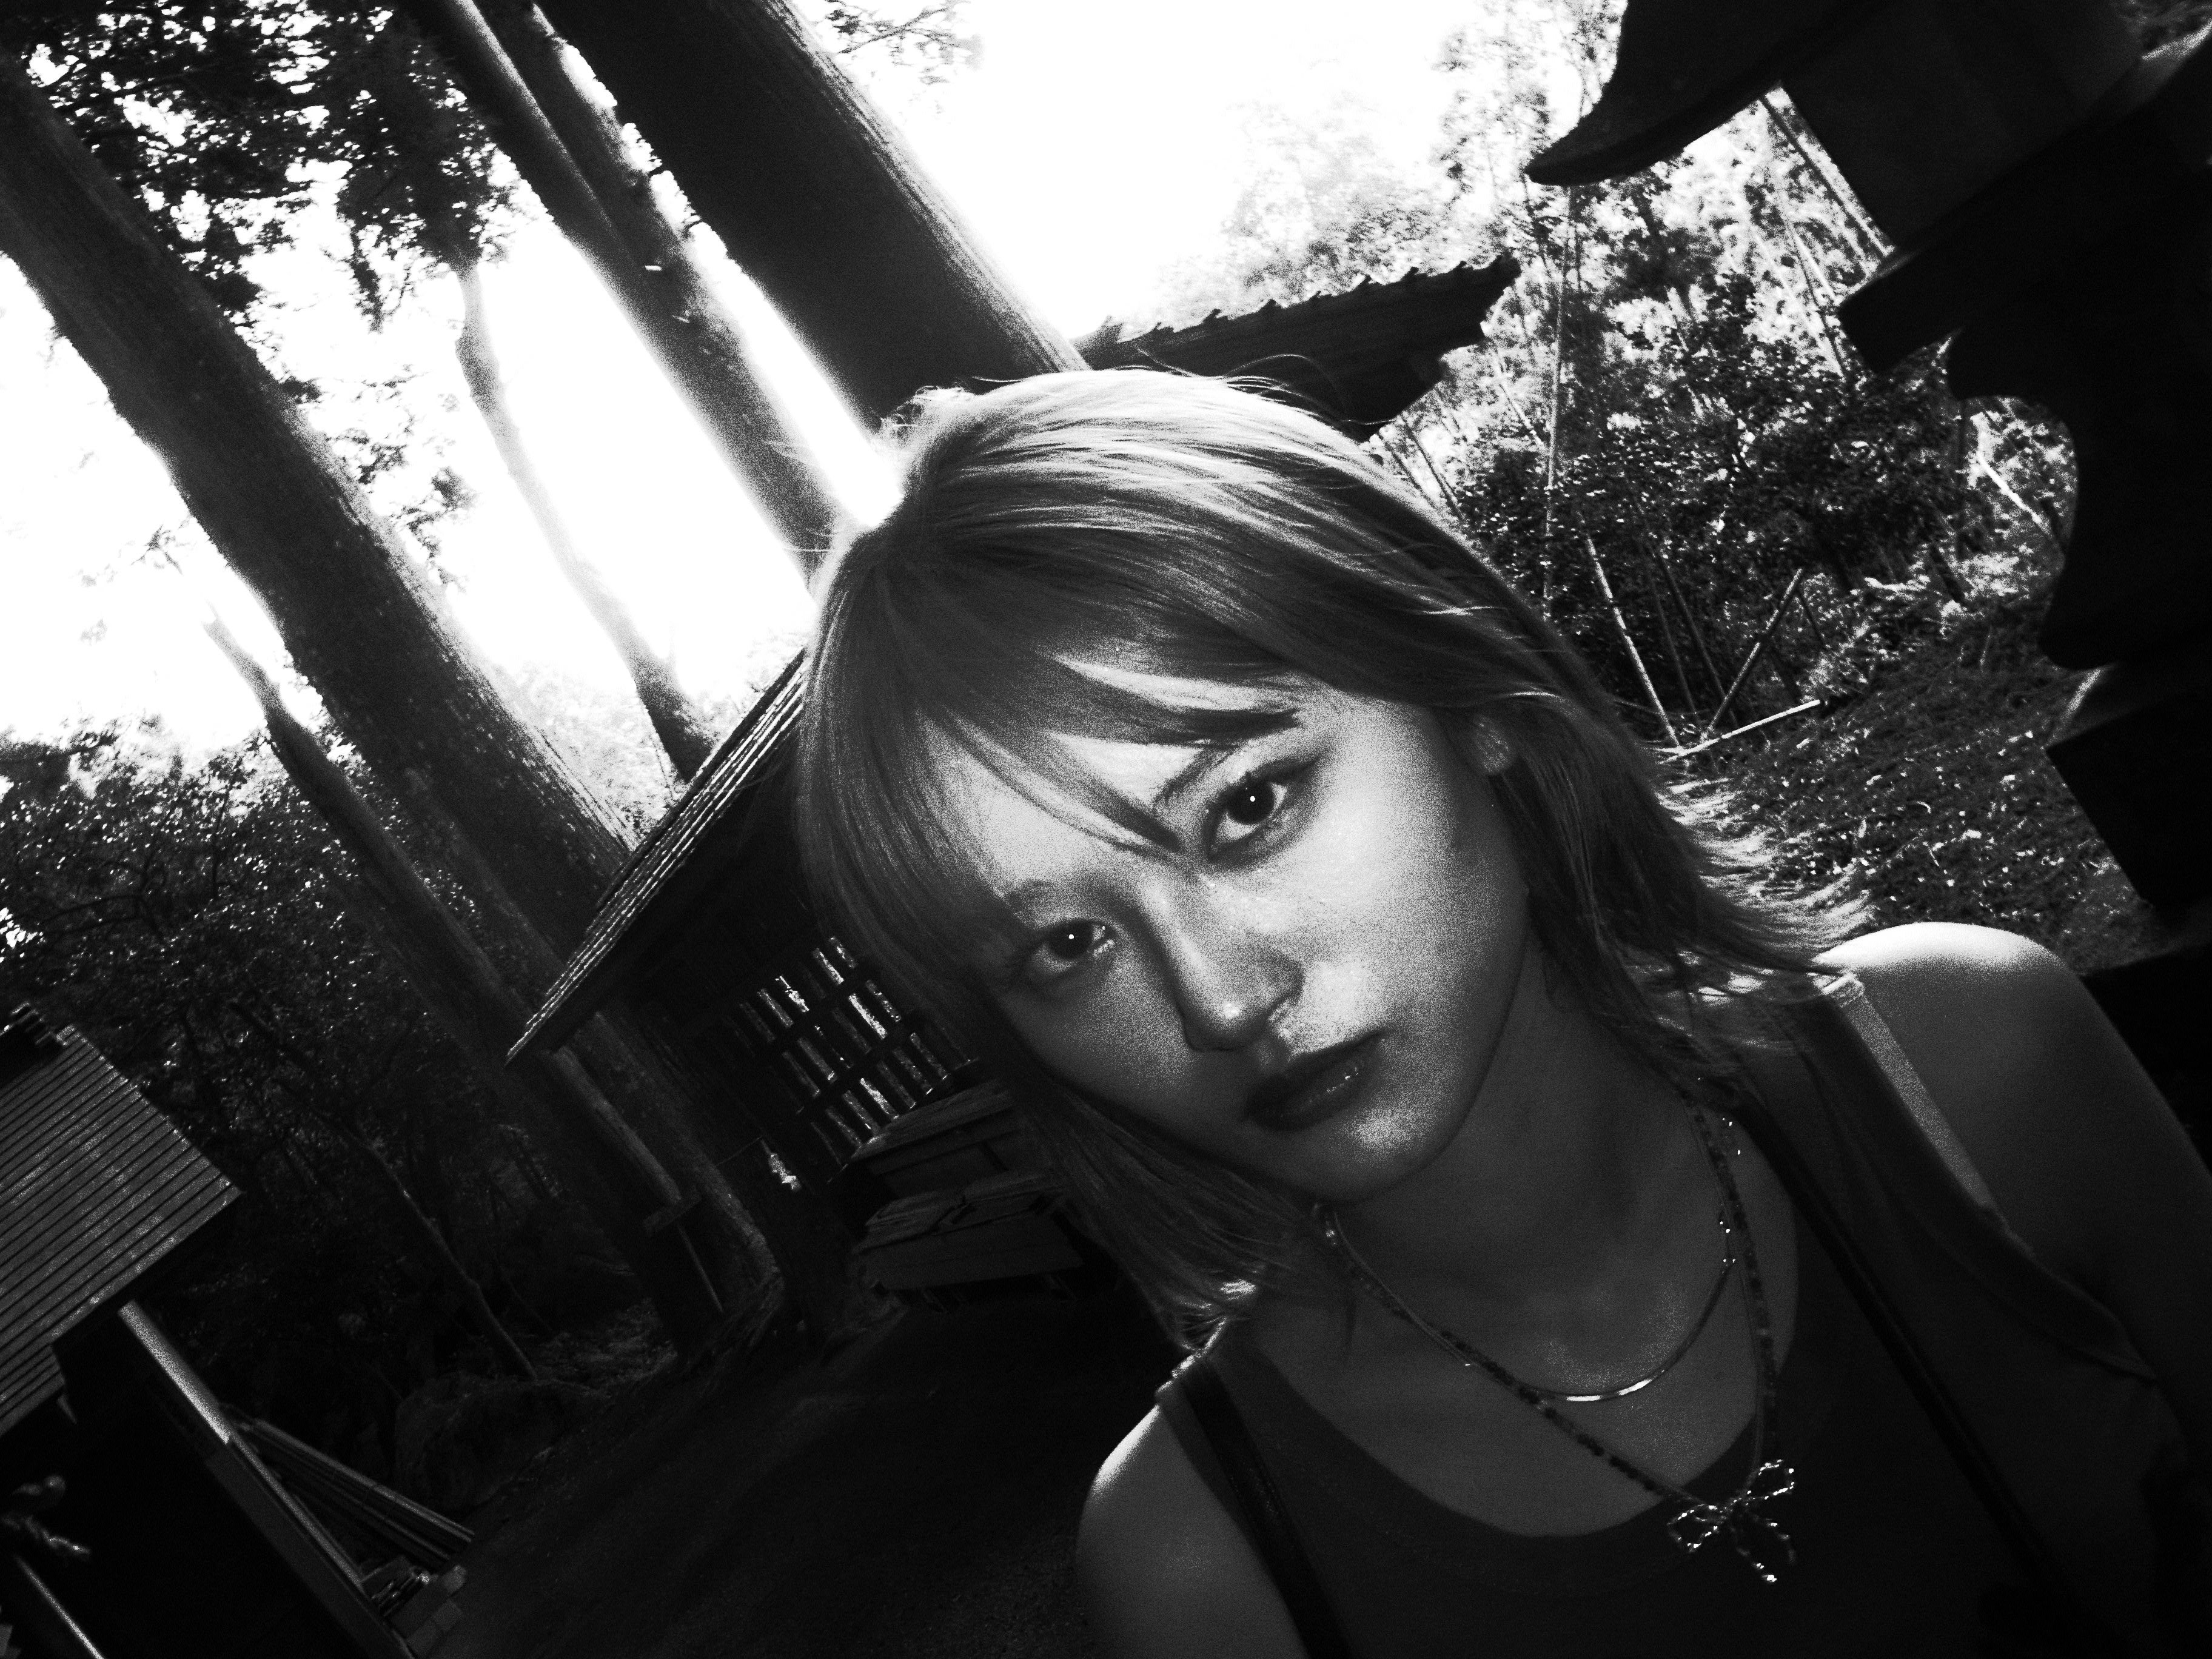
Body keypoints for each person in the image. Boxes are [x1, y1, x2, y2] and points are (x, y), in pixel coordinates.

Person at [793, 369, 2212, 1657]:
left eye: (1249, 804)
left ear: (1463, 691)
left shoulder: (1971, 1076)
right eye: (1065, 945)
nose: (1218, 1001)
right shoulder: (1206, 1571)